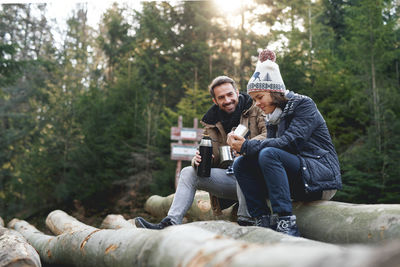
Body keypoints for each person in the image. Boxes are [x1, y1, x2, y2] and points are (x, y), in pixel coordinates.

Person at [227, 49, 342, 237]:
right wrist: (242, 149)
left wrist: (248, 146)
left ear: (274, 91)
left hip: (319, 179)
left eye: (259, 97)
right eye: (254, 99)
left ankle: (286, 222)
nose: (257, 104)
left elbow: (290, 144)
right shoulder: (273, 116)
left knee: (269, 153)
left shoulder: (304, 105)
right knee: (241, 164)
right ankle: (261, 219)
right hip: (296, 179)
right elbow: (271, 148)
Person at [134, 75, 266, 229]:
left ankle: (247, 220)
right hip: (231, 180)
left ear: (237, 92)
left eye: (230, 94)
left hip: (257, 178)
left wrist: (246, 146)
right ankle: (170, 222)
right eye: (221, 97)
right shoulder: (211, 123)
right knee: (188, 172)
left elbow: (269, 136)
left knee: (242, 163)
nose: (227, 100)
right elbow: (208, 157)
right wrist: (197, 160)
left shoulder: (256, 109)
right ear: (215, 101)